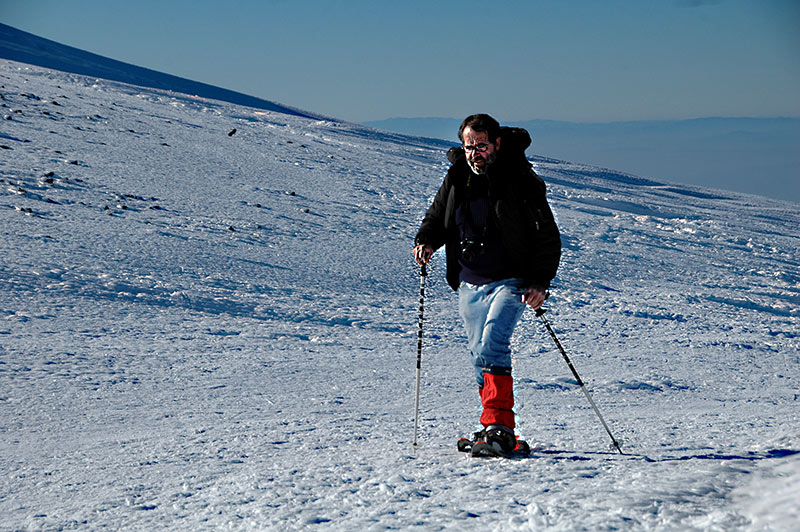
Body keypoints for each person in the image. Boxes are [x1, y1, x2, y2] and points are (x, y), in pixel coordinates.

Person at [413, 113, 561, 454]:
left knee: (493, 344)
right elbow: (437, 218)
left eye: (481, 145)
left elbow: (547, 236)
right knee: (480, 355)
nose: (475, 153)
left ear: (495, 144)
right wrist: (427, 241)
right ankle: (490, 423)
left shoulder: (521, 179)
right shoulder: (456, 178)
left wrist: (539, 282)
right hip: (470, 282)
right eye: (469, 146)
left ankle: (500, 426)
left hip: (511, 280)